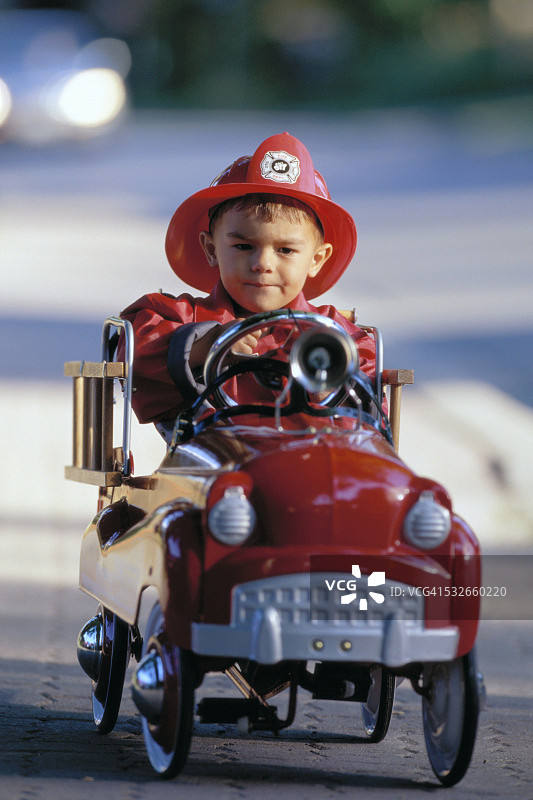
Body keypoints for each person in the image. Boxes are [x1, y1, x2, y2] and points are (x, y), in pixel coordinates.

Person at [120, 132, 378, 436]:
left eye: (285, 250)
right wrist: (206, 345)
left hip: (310, 459)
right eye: (243, 247)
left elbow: (367, 405)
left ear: (316, 260)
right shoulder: (180, 317)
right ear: (211, 249)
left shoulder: (334, 333)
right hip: (216, 462)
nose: (262, 264)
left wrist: (328, 377)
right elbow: (131, 350)